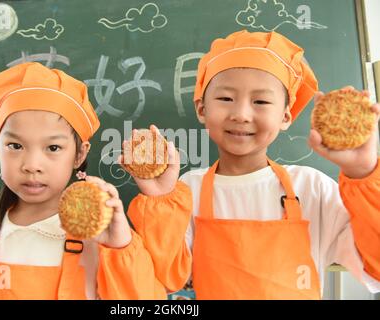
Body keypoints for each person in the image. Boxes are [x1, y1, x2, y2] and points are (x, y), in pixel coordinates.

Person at [123, 30, 380, 299]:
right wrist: (159, 196)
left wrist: (363, 174)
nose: (241, 114)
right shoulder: (187, 190)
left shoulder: (313, 188)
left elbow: (375, 267)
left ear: (285, 116)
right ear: (202, 109)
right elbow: (166, 278)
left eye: (260, 101)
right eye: (225, 99)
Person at [0, 62, 165, 300]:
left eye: (53, 147)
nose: (32, 164)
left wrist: (120, 248)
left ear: (79, 154)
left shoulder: (101, 240)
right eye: (15, 146)